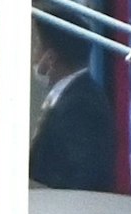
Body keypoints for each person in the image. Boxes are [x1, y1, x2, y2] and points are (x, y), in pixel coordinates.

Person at [31, 20, 118, 193]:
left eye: (36, 48)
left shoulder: (80, 103)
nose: (33, 56)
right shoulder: (68, 95)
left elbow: (85, 175)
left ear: (50, 58)